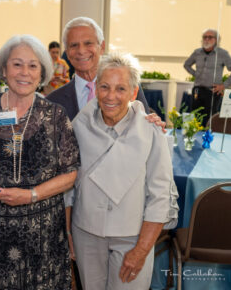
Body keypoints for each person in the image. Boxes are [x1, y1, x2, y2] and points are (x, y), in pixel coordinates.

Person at [46, 16, 161, 289]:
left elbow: (145, 133)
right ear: (65, 51)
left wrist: (157, 124)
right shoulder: (53, 102)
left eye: (88, 43)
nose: (81, 50)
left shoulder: (129, 88)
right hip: (85, 222)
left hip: (128, 220)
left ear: (102, 45)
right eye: (73, 45)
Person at [0, 34, 80, 289]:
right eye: (17, 64)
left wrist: (31, 195)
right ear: (4, 69)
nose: (25, 72)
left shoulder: (55, 116)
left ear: (42, 72)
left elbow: (71, 172)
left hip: (42, 238)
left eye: (33, 66)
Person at [71, 52, 179, 289]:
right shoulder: (79, 126)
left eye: (121, 89)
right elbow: (69, 185)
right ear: (96, 89)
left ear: (133, 93)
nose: (111, 96)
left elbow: (160, 197)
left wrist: (141, 250)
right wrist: (68, 233)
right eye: (105, 87)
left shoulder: (150, 131)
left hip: (132, 237)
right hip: (86, 233)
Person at [184, 28, 231, 126]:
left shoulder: (222, 54)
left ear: (217, 40)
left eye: (210, 37)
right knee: (195, 118)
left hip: (212, 91)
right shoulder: (197, 52)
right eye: (205, 37)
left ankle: (208, 139)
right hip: (197, 90)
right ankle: (194, 138)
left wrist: (223, 85)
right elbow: (186, 65)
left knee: (210, 119)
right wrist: (196, 74)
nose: (207, 39)